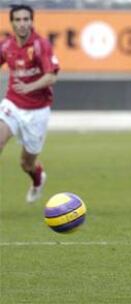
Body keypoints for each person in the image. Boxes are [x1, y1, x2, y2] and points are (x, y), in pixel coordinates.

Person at [0, 4, 59, 203]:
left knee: (26, 164)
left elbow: (51, 76)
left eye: (26, 19)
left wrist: (29, 87)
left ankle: (37, 177)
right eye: (18, 20)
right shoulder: (6, 45)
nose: (22, 24)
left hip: (37, 111)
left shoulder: (41, 45)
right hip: (13, 104)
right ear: (12, 22)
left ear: (32, 21)